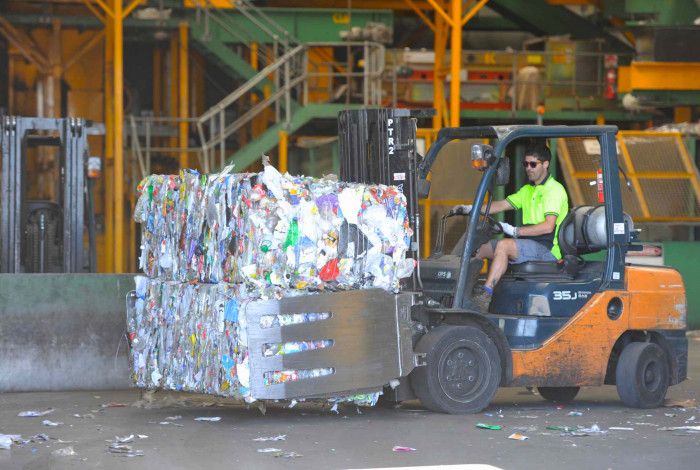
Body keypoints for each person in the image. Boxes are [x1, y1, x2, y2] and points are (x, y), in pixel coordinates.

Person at [451, 144, 568, 311]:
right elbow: (501, 205)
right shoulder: (528, 190)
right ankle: (462, 294)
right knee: (480, 248)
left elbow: (548, 227)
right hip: (529, 244)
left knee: (504, 245)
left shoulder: (554, 190)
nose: (528, 168)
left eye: (533, 164)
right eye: (526, 164)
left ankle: (486, 295)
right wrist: (470, 208)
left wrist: (516, 231)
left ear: (546, 164)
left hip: (548, 248)